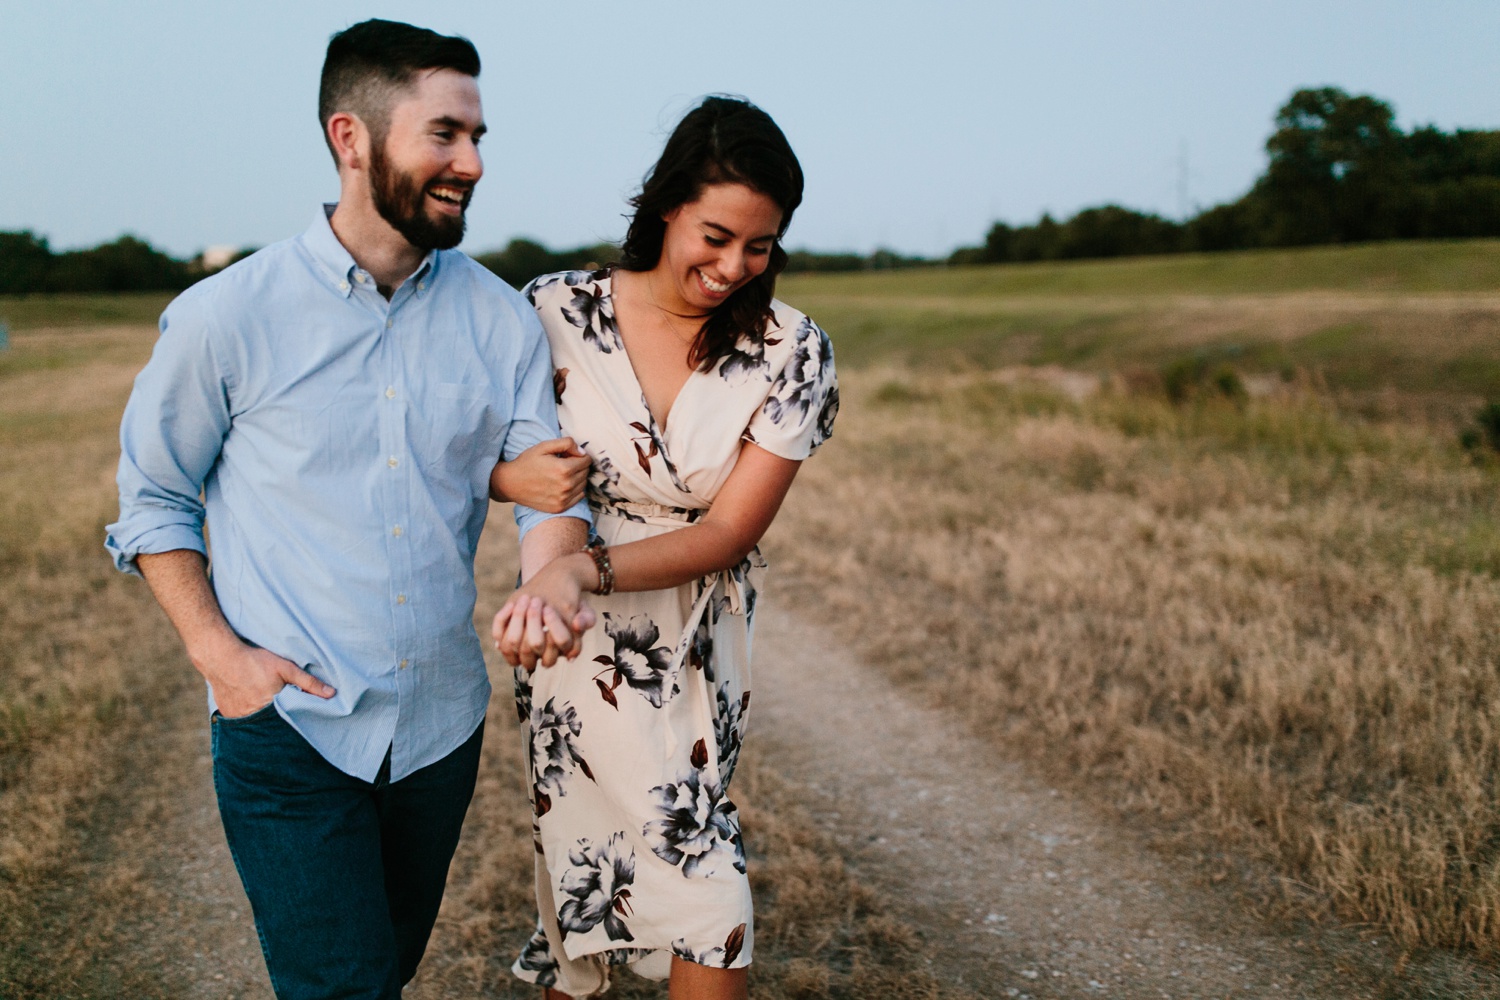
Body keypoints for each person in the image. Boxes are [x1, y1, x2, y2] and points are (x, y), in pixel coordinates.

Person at [105, 19, 595, 999]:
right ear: (350, 138)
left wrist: (548, 576)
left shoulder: (501, 318)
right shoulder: (226, 316)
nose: (473, 163)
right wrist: (219, 657)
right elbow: (154, 499)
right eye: (445, 134)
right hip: (290, 728)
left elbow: (543, 490)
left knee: (385, 969)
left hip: (439, 731)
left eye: (480, 137)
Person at [492, 96, 839, 1000]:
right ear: (666, 206)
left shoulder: (790, 349)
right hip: (570, 638)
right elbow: (487, 462)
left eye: (759, 247)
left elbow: (728, 531)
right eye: (716, 236)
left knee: (679, 871)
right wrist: (542, 545)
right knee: (624, 877)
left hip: (696, 638)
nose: (732, 268)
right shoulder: (551, 311)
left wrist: (587, 567)